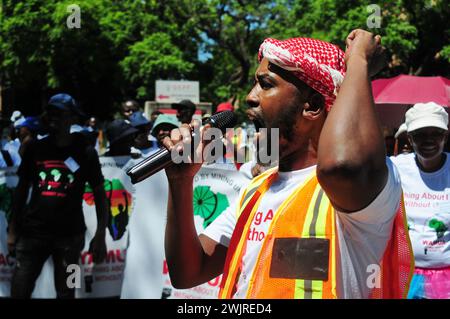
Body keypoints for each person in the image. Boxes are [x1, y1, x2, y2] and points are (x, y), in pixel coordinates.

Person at [162, 30, 413, 299]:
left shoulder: (361, 188)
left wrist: (358, 62)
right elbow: (187, 272)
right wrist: (180, 182)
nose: (250, 96)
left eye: (266, 84)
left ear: (312, 105)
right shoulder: (256, 190)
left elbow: (342, 165)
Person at [7, 93, 108, 299]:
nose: (52, 117)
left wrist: (100, 235)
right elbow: (21, 191)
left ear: (72, 118)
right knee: (19, 289)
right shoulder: (34, 149)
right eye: (50, 112)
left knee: (68, 291)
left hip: (72, 238)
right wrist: (13, 230)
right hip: (32, 235)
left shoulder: (87, 152)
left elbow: (99, 195)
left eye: (59, 113)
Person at [390, 102, 449, 299]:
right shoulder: (394, 168)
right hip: (405, 274)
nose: (429, 140)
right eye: (421, 134)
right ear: (409, 138)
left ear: (445, 136)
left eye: (436, 133)